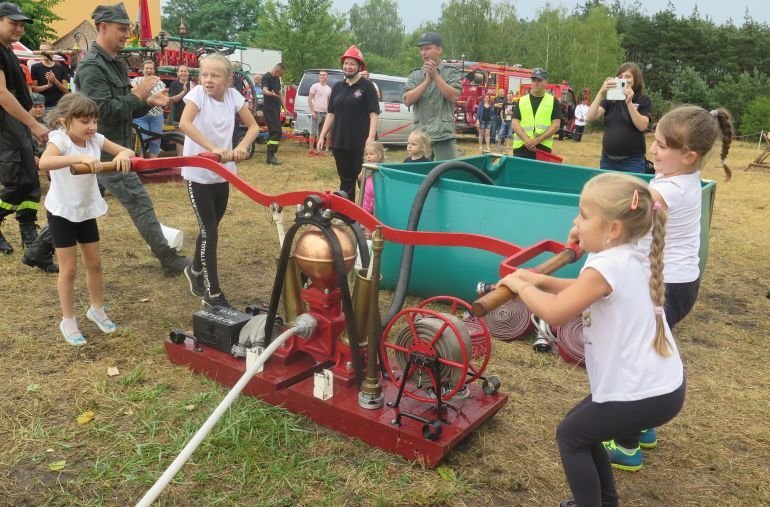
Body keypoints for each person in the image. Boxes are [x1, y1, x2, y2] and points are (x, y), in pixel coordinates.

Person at [498, 172, 685, 507]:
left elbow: (555, 313)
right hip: (660, 386)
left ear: (613, 229)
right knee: (582, 430)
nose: (575, 221)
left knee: (571, 436)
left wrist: (523, 287)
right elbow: (578, 291)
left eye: (583, 215)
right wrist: (534, 278)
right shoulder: (627, 254)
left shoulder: (608, 266)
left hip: (643, 391)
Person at [603, 105, 733, 472]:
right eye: (654, 141)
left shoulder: (666, 190)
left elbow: (633, 215)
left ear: (688, 156)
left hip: (663, 286)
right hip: (681, 284)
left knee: (635, 360)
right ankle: (643, 426)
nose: (653, 150)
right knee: (652, 352)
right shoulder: (688, 181)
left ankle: (626, 444)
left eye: (661, 145)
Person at [60, 3, 189, 276]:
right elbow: (100, 112)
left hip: (113, 146)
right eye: (122, 29)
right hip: (105, 149)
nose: (127, 34)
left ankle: (36, 251)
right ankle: (169, 260)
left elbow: (121, 107)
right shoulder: (93, 66)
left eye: (129, 29)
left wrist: (146, 102)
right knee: (139, 203)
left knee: (79, 202)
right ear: (103, 27)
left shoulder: (114, 62)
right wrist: (139, 95)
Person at [38, 93, 135, 346]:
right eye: (84, 121)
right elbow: (45, 162)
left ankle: (96, 309)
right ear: (65, 121)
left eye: (94, 121)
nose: (91, 127)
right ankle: (68, 320)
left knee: (95, 263)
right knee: (68, 269)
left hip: (85, 210)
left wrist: (124, 155)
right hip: (62, 212)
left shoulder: (96, 139)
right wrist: (78, 157)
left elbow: (126, 149)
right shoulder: (59, 139)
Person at [178, 54, 258, 309]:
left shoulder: (234, 97)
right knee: (210, 232)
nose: (208, 80)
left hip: (222, 173)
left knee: (210, 228)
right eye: (205, 75)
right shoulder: (198, 94)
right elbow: (184, 123)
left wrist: (242, 146)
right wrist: (213, 148)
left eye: (215, 76)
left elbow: (254, 127)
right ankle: (212, 294)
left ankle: (194, 270)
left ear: (228, 80)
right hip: (198, 173)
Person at [0, 2, 49, 255]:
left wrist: (27, 122)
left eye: (21, 24)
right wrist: (33, 124)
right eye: (13, 23)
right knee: (17, 181)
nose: (19, 28)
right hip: (5, 125)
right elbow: (1, 94)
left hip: (16, 123)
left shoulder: (8, 51)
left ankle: (29, 236)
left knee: (29, 179)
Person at [317, 45, 379, 202]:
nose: (348, 67)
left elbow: (374, 114)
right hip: (340, 142)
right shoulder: (338, 87)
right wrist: (322, 136)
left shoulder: (367, 87)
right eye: (346, 63)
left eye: (352, 64)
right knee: (346, 181)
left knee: (364, 181)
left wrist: (370, 139)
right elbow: (331, 114)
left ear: (359, 66)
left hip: (361, 144)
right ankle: (348, 216)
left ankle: (368, 216)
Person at [403, 32, 462, 161]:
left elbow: (454, 97)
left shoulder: (450, 72)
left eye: (428, 48)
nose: (424, 53)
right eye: (421, 49)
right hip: (420, 138)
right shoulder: (415, 75)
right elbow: (407, 100)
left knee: (449, 174)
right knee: (421, 176)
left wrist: (435, 76)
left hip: (443, 136)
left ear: (439, 49)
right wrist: (426, 82)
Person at [587, 62, 652, 172]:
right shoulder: (611, 98)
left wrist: (629, 102)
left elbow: (642, 126)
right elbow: (590, 117)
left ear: (636, 79)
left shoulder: (643, 100)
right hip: (608, 160)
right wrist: (601, 92)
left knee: (631, 190)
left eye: (628, 76)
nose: (624, 79)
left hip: (633, 161)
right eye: (620, 77)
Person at [511, 68, 561, 160]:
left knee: (540, 174)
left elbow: (556, 125)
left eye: (539, 80)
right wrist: (527, 140)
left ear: (546, 82)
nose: (536, 83)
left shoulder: (553, 101)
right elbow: (514, 124)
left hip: (542, 148)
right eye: (534, 80)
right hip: (521, 147)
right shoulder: (521, 100)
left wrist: (537, 140)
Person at [131, 59, 166, 159]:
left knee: (155, 139)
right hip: (140, 115)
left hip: (156, 116)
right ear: (142, 70)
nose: (149, 70)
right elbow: (132, 92)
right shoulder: (136, 80)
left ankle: (153, 163)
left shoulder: (160, 83)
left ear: (154, 70)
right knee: (141, 138)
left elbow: (160, 97)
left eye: (151, 68)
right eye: (147, 68)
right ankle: (140, 162)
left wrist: (140, 91)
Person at [30, 43, 69, 111]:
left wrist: (55, 81)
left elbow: (66, 89)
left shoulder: (61, 67)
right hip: (42, 107)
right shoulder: (35, 67)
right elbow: (33, 89)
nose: (43, 53)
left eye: (46, 50)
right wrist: (47, 86)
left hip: (59, 106)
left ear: (52, 52)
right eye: (41, 50)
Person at [261, 62, 286, 165]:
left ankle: (271, 156)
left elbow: (280, 93)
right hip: (269, 109)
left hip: (276, 109)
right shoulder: (266, 77)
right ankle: (271, 156)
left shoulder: (277, 79)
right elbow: (264, 90)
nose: (280, 76)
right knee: (276, 132)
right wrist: (269, 93)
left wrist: (284, 107)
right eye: (280, 74)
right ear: (277, 71)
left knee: (274, 132)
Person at [307, 70, 331, 156]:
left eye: (324, 75)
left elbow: (329, 102)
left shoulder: (329, 89)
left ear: (327, 77)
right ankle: (311, 149)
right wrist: (312, 111)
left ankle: (318, 150)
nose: (322, 76)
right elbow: (309, 99)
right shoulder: (315, 86)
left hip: (325, 113)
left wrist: (329, 113)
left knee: (321, 133)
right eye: (320, 75)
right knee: (313, 132)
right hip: (316, 112)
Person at [360, 141, 384, 215]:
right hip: (367, 197)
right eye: (366, 154)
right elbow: (360, 178)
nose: (368, 156)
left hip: (378, 198)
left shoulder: (382, 167)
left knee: (377, 215)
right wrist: (364, 173)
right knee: (365, 214)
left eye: (371, 154)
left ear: (379, 155)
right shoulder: (366, 167)